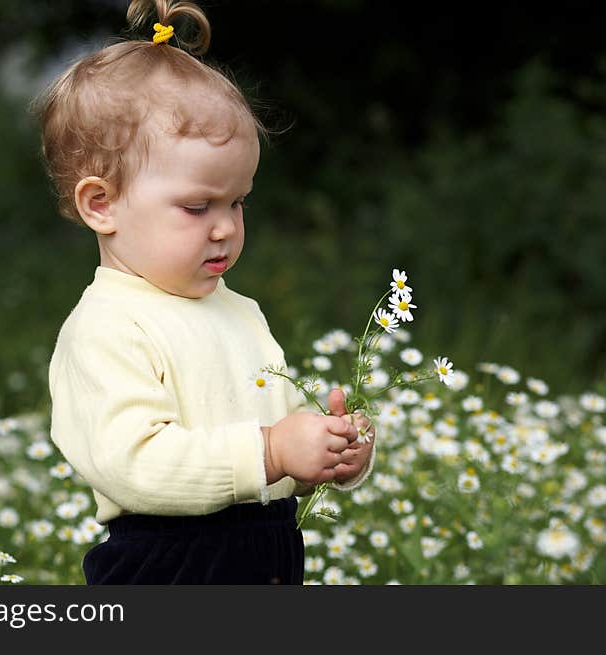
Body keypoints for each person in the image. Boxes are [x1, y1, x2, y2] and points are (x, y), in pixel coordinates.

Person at [35, 0, 376, 584]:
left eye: (238, 201)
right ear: (102, 204)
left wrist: (327, 451)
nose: (224, 226)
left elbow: (272, 435)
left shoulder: (237, 311)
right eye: (197, 206)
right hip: (167, 563)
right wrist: (269, 452)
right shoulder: (107, 328)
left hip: (264, 553)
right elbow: (134, 464)